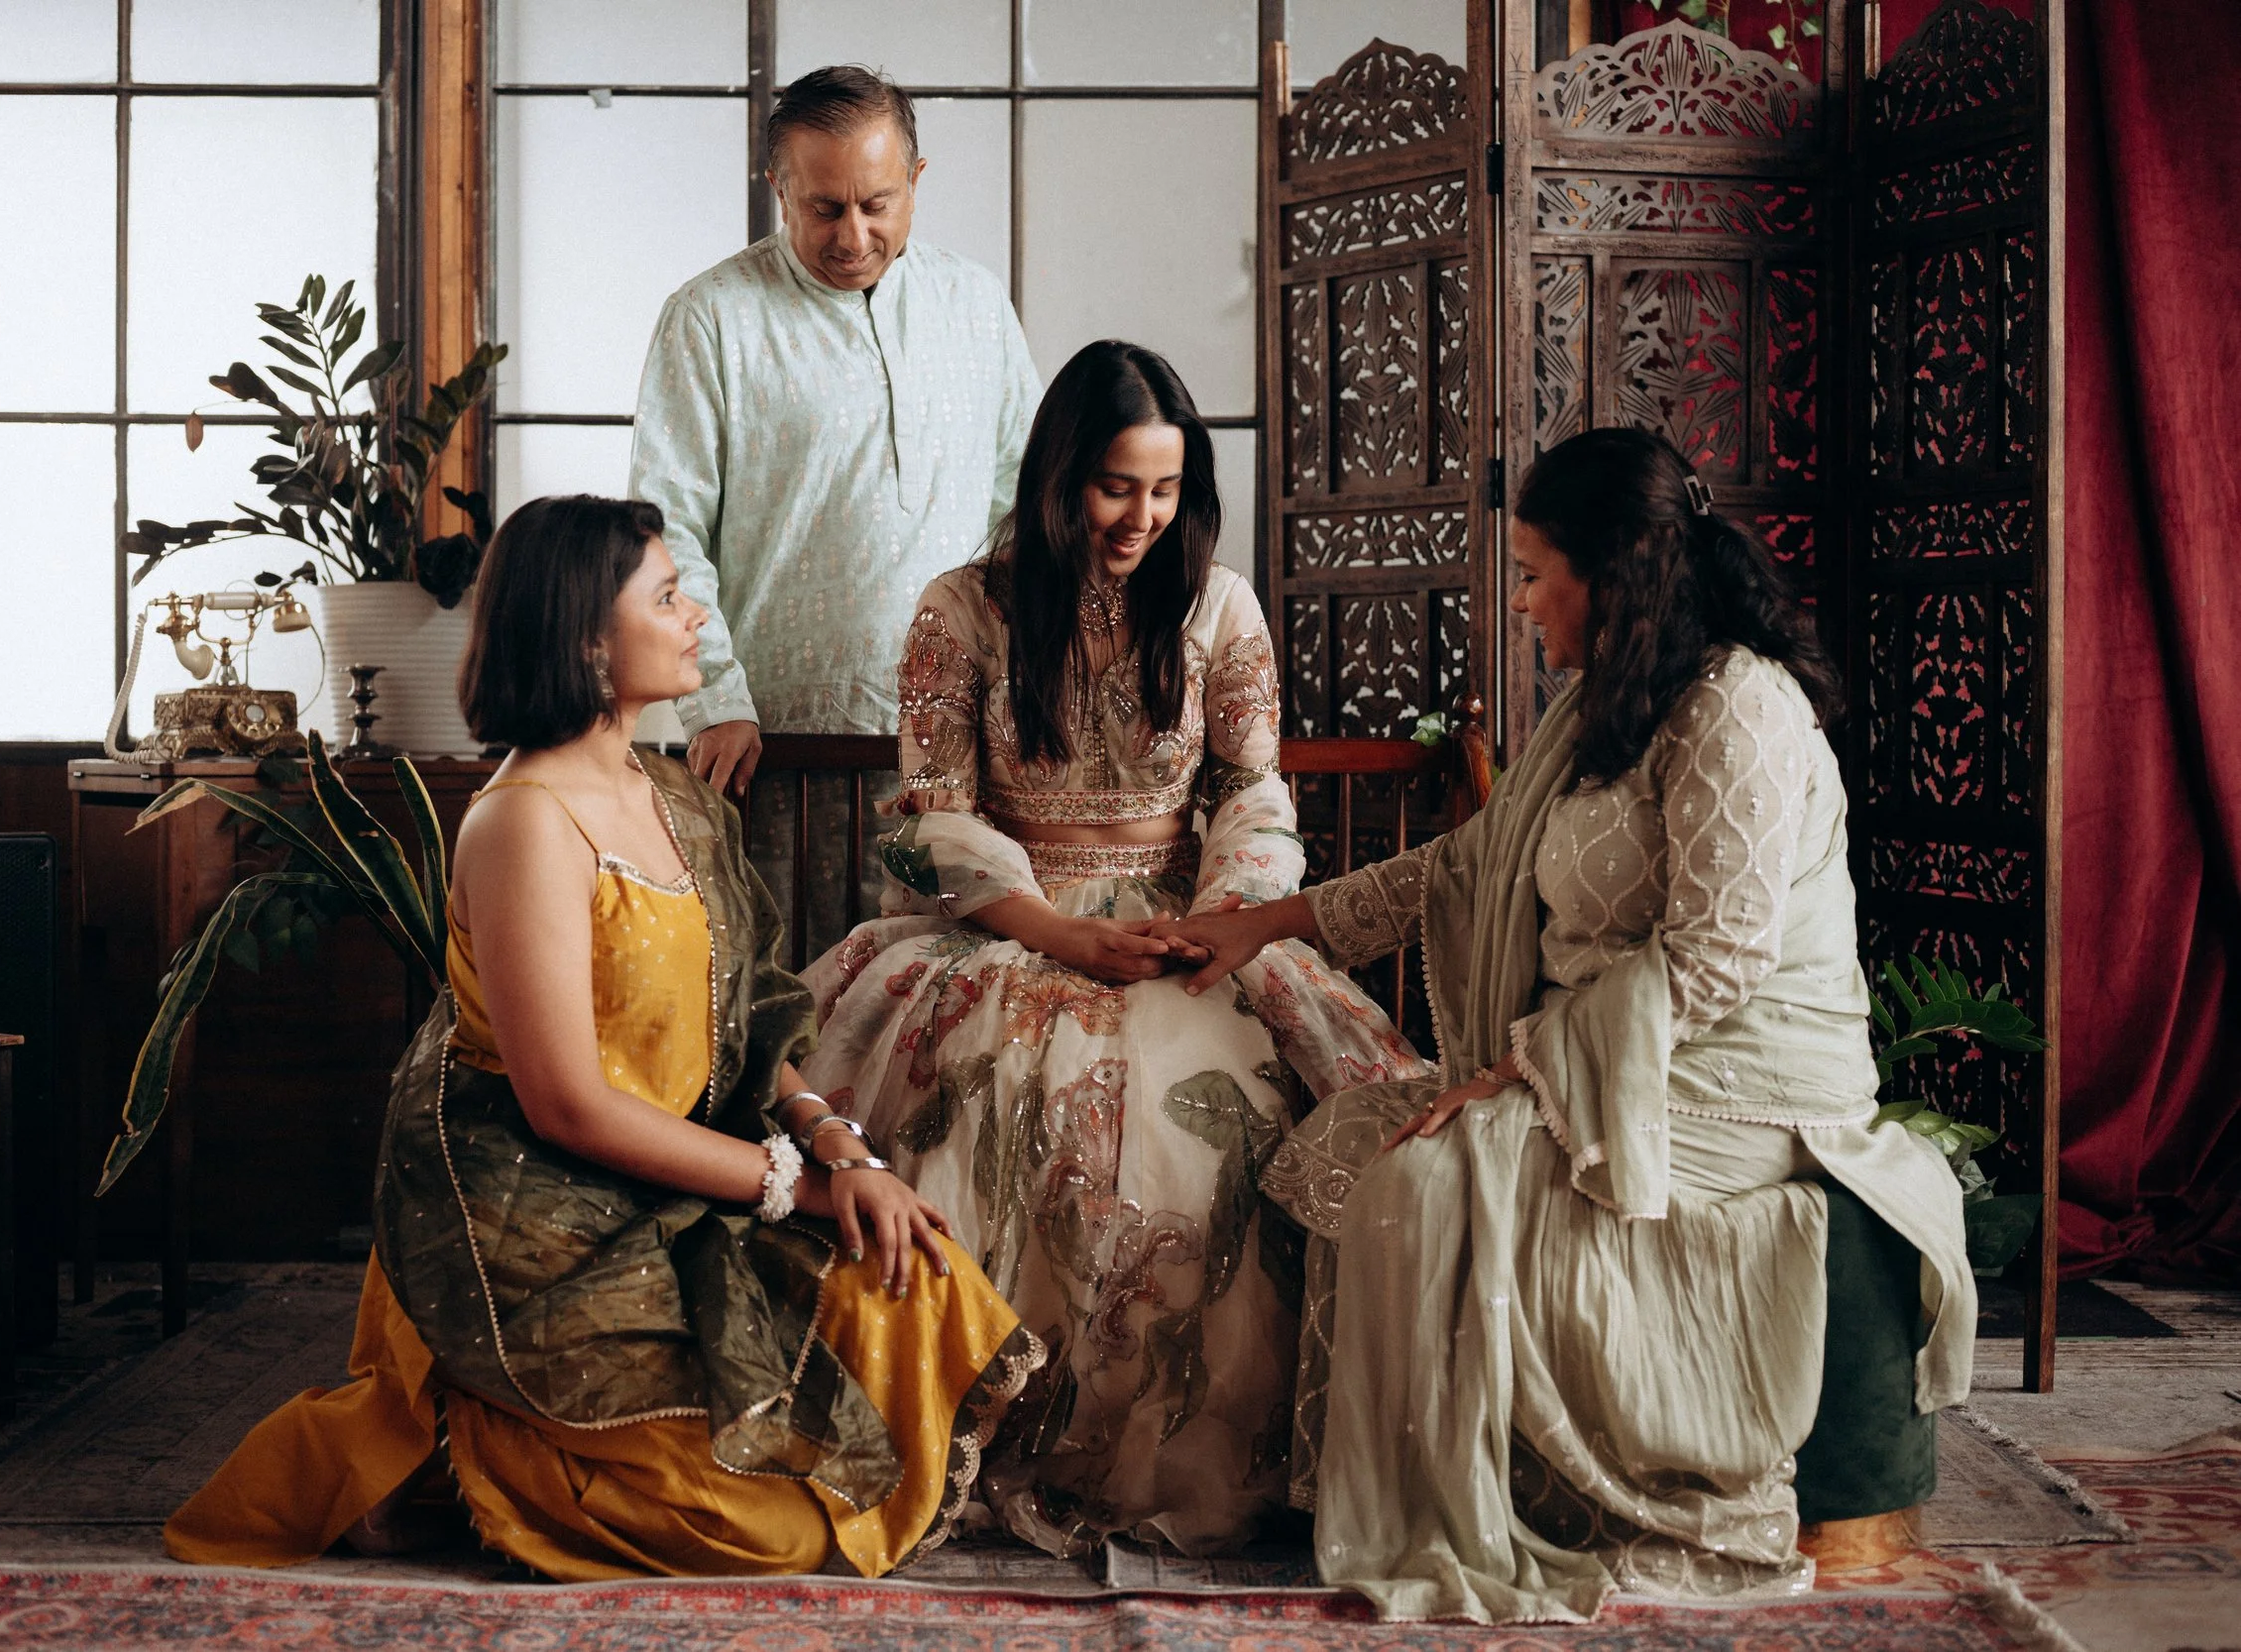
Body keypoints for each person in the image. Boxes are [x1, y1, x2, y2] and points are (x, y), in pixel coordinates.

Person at [1165, 428, 1975, 1621]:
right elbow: (1466, 865)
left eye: (1539, 569)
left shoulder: (1738, 707)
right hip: (1604, 1059)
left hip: (1733, 1086)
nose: (1525, 596)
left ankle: (1477, 1504)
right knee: (1349, 1146)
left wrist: (1518, 1072)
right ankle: (1375, 1481)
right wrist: (1264, 926)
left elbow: (1716, 958)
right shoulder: (1604, 704)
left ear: (1617, 572)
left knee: (1424, 1183)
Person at [164, 496, 1040, 1581]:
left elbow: (756, 1019)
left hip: (683, 1184)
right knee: (764, 1527)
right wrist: (800, 1191)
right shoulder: (523, 819)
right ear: (586, 635)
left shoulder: (674, 795)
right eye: (667, 597)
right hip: (538, 1220)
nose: (698, 616)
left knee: (919, 1279)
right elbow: (567, 1105)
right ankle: (448, 1447)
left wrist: (846, 1152)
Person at [796, 342, 1429, 1558]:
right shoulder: (960, 606)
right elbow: (933, 810)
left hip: (1188, 921)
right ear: (1056, 480)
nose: (1142, 517)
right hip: (1006, 921)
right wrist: (1055, 930)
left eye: (1165, 489)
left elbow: (1251, 789)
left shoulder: (1218, 604)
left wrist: (1228, 920)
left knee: (1244, 1125)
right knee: (994, 1105)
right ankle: (980, 1427)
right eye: (1114, 488)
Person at [628, 64, 1042, 945]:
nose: (854, 233)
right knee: (794, 1002)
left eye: (878, 203)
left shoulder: (975, 306)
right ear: (778, 187)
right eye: (824, 208)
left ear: (917, 182)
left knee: (951, 1013)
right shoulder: (710, 319)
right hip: (776, 744)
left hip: (963, 744)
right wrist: (717, 700)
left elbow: (1026, 502)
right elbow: (666, 532)